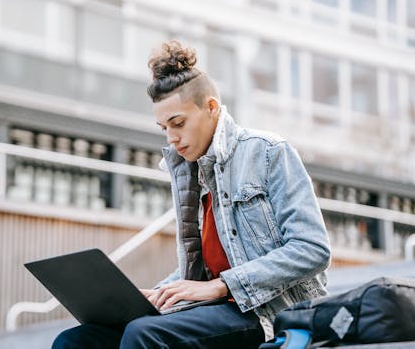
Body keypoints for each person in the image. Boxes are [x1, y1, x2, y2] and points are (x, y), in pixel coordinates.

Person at [52, 40, 331, 349]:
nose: (171, 138)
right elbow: (202, 272)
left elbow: (312, 248)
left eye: (178, 123)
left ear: (211, 108)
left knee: (143, 335)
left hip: (265, 313)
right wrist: (159, 294)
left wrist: (221, 286)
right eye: (164, 128)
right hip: (213, 309)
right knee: (77, 340)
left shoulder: (267, 152)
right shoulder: (189, 172)